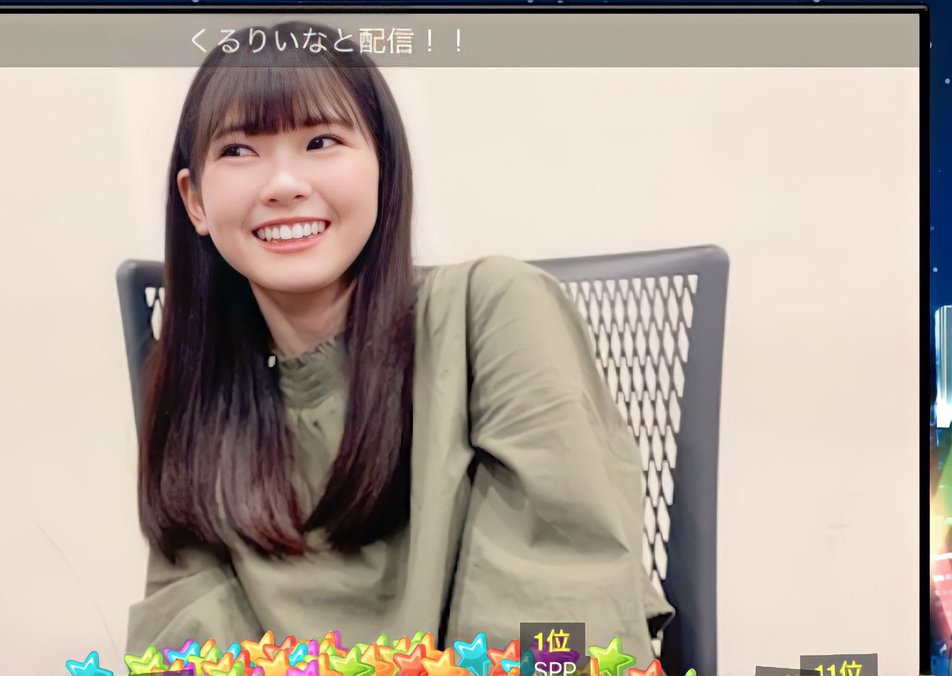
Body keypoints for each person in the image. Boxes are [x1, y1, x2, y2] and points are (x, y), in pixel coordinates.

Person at [126, 20, 674, 664]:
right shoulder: (195, 382)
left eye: (322, 141)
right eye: (240, 151)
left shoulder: (493, 308)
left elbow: (559, 594)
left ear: (384, 169)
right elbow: (182, 626)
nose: (283, 184)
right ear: (194, 200)